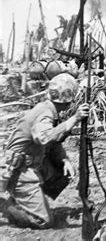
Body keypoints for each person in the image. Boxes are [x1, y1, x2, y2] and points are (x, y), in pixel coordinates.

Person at [1, 73, 89, 229]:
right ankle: (5, 206)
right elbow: (45, 138)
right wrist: (74, 119)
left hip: (32, 164)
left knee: (62, 171)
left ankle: (26, 200)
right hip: (19, 171)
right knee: (44, 221)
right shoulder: (45, 112)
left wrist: (64, 159)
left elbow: (52, 144)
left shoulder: (48, 109)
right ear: (68, 99)